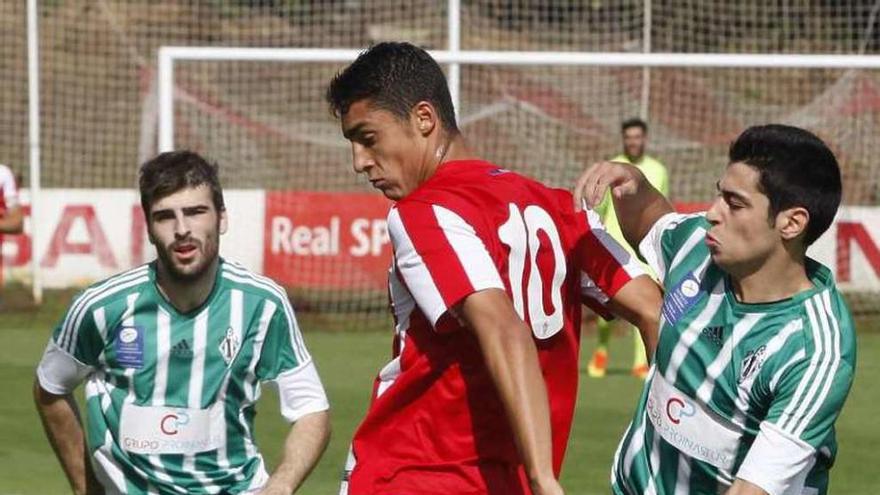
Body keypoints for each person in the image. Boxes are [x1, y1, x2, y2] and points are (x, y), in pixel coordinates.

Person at [326, 42, 663, 495]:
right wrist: (674, 440)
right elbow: (653, 310)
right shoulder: (561, 208)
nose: (359, 162)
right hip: (505, 480)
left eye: (368, 138)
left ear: (424, 119)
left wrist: (544, 479)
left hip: (415, 474)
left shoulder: (423, 212)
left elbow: (504, 330)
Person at [574, 124, 856, 494]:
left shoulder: (814, 351)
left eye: (735, 204)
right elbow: (652, 223)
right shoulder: (697, 246)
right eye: (718, 195)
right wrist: (633, 184)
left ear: (792, 222)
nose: (711, 213)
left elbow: (749, 490)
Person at [34, 151, 331, 494]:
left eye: (195, 211)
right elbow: (50, 388)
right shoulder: (101, 307)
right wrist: (86, 488)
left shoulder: (262, 304)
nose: (182, 229)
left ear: (222, 218)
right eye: (164, 216)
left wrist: (281, 485)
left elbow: (312, 411)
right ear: (148, 228)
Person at [588, 118, 669, 379]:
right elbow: (598, 208)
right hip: (614, 246)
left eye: (637, 136)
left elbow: (660, 204)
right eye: (629, 137)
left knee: (648, 302)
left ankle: (640, 363)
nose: (633, 141)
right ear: (624, 139)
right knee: (608, 308)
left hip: (643, 246)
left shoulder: (658, 170)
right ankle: (601, 351)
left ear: (645, 139)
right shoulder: (611, 167)